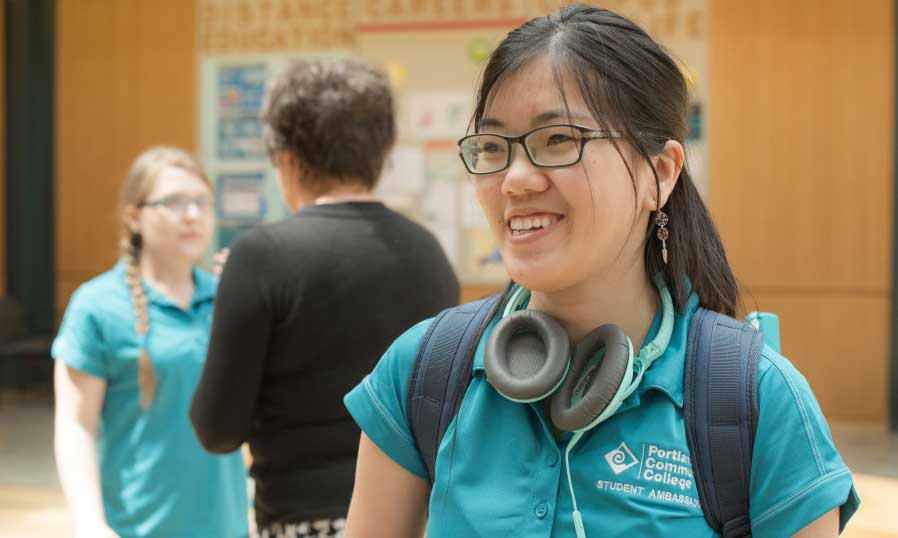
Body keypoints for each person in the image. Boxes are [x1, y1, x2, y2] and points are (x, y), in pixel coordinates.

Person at [342, 5, 860, 538]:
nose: (515, 180)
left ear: (660, 173)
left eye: (559, 140)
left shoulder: (758, 400)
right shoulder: (424, 370)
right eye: (493, 147)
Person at [189, 57, 459, 538]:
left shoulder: (260, 256)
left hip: (301, 520)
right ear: (381, 152)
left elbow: (217, 429)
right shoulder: (429, 254)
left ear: (287, 159)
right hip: (412, 521)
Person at [52, 147, 249, 538]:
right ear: (134, 217)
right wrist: (89, 522)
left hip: (227, 528)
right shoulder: (97, 305)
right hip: (135, 528)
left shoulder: (228, 297)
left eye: (202, 202)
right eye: (173, 202)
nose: (192, 214)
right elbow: (76, 425)